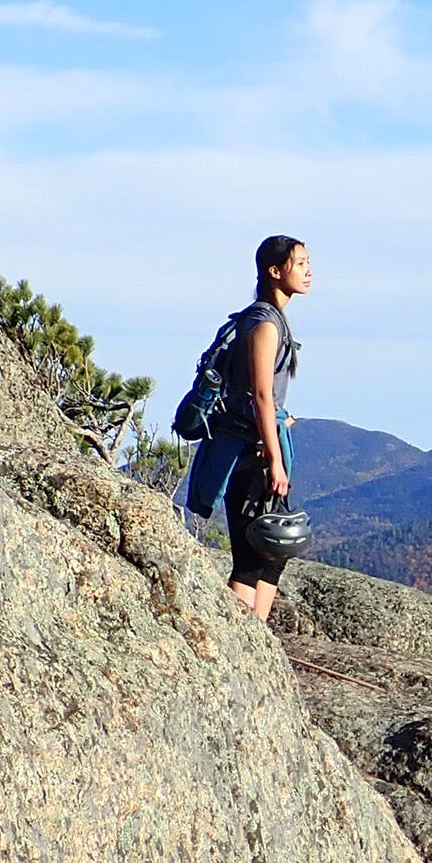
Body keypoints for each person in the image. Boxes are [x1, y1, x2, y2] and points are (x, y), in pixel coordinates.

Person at [184, 235, 312, 621]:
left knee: (273, 551)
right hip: (249, 453)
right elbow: (260, 395)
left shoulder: (269, 319)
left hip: (257, 446)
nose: (309, 271)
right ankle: (239, 646)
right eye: (300, 263)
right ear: (276, 272)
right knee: (252, 556)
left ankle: (256, 644)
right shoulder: (263, 323)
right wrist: (275, 459)